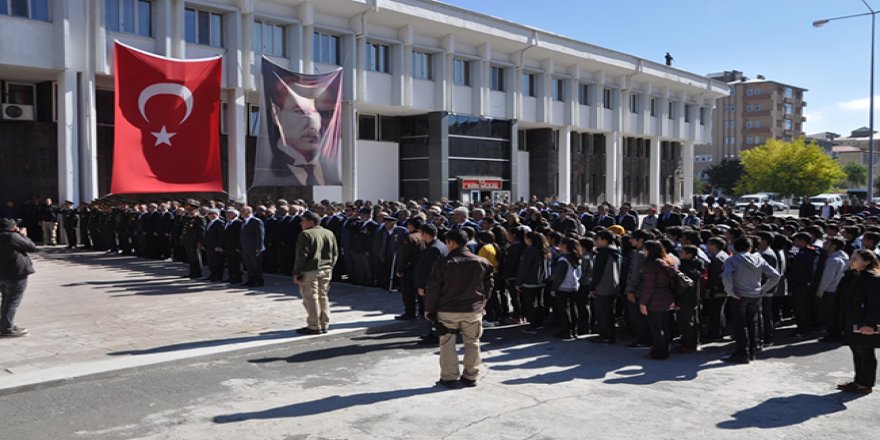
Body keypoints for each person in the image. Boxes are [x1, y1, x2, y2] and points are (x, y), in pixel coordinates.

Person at [425, 229, 494, 389]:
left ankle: (449, 377)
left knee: (447, 343)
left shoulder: (443, 263)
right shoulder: (481, 261)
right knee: (472, 343)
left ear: (452, 243)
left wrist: (429, 309)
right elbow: (489, 283)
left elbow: (433, 288)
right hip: (473, 309)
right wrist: (484, 301)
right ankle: (471, 376)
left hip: (448, 309)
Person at [721, 237, 781, 364]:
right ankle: (752, 351)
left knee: (740, 324)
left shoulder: (731, 260)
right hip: (755, 295)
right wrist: (763, 289)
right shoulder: (758, 258)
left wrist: (730, 291)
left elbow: (726, 277)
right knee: (753, 323)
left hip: (739, 295)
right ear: (750, 247)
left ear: (735, 247)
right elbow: (775, 275)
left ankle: (742, 352)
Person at [838, 249, 880, 394]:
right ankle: (858, 380)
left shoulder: (873, 278)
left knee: (865, 352)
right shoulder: (855, 276)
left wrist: (870, 324)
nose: (851, 261)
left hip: (865, 322)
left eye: (855, 259)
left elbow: (875, 304)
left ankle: (865, 384)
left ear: (867, 262)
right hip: (853, 320)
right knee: (856, 350)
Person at [292, 211, 339, 335]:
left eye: (304, 220)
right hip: (326, 269)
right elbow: (335, 253)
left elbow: (302, 256)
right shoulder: (329, 233)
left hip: (310, 270)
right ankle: (324, 324)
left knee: (310, 298)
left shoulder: (305, 234)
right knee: (323, 296)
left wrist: (297, 273)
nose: (301, 223)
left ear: (311, 222)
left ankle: (314, 325)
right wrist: (330, 266)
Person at [639, 240, 678, 360]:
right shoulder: (669, 261)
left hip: (654, 299)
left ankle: (658, 352)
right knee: (666, 326)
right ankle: (665, 349)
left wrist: (643, 303)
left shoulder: (650, 265)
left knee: (656, 328)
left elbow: (649, 287)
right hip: (668, 297)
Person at [0, 218, 37, 337]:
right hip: (15, 273)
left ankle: (5, 324)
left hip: (2, 273)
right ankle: (7, 328)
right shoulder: (11, 236)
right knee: (12, 301)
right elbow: (31, 247)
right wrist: (23, 236)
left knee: (6, 300)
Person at [415, 224, 448, 345]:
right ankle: (433, 333)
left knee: (430, 310)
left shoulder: (433, 249)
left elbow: (429, 270)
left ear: (425, 234)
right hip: (437, 285)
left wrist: (422, 286)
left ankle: (434, 334)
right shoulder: (441, 245)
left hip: (431, 286)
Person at [590, 230, 622, 344]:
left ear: (604, 240)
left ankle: (606, 336)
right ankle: (609, 334)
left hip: (602, 287)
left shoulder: (603, 253)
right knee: (609, 312)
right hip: (613, 285)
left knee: (603, 313)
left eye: (597, 239)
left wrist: (593, 287)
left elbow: (597, 272)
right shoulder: (616, 251)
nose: (596, 242)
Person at [815, 237, 849, 343]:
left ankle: (832, 335)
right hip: (839, 290)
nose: (824, 244)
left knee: (829, 314)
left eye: (827, 243)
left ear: (833, 246)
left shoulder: (832, 260)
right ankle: (837, 333)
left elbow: (827, 278)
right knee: (836, 314)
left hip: (830, 291)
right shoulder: (844, 256)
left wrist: (820, 291)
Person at [516, 231, 552, 331]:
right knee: (540, 302)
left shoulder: (530, 250)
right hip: (542, 280)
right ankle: (539, 321)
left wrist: (519, 282)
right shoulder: (545, 250)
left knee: (530, 303)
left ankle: (533, 324)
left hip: (530, 281)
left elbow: (524, 267)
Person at [551, 237, 582, 340]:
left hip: (563, 287)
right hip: (574, 286)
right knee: (573, 308)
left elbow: (559, 276)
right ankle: (574, 330)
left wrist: (554, 288)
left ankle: (566, 331)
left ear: (565, 246)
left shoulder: (563, 260)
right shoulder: (577, 258)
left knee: (564, 310)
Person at [395, 216, 425, 321]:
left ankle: (410, 313)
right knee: (420, 293)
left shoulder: (410, 237)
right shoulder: (425, 236)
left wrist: (399, 269)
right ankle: (422, 312)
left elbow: (404, 256)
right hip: (422, 269)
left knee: (408, 292)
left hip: (410, 269)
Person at [677, 245, 705, 353]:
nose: (680, 253)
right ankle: (692, 342)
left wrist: (678, 298)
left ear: (689, 254)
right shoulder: (697, 264)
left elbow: (685, 285)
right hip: (694, 297)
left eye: (682, 252)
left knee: (687, 322)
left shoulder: (687, 268)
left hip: (686, 298)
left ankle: (688, 345)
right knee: (692, 320)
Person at [240, 205, 266, 287]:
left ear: (248, 212)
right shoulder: (243, 221)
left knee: (256, 265)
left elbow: (260, 235)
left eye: (242, 211)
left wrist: (259, 247)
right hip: (246, 247)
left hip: (254, 247)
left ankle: (258, 280)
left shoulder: (256, 221)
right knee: (249, 265)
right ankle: (251, 280)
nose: (240, 213)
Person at [181, 202, 206, 279]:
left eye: (191, 211)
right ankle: (192, 272)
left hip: (195, 241)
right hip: (188, 241)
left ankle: (198, 273)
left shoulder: (199, 219)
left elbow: (202, 231)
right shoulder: (188, 218)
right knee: (191, 257)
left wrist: (200, 242)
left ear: (195, 210)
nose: (189, 212)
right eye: (188, 211)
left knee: (196, 257)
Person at [222, 209, 243, 284]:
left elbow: (239, 235)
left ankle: (237, 277)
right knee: (230, 262)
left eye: (229, 214)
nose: (226, 215)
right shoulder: (227, 223)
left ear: (234, 215)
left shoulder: (239, 223)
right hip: (228, 246)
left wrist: (238, 246)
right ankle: (231, 276)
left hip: (235, 246)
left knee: (236, 262)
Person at [204, 209, 226, 282]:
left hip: (215, 245)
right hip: (209, 245)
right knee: (211, 261)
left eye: (210, 214)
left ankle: (218, 276)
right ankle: (212, 274)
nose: (208, 215)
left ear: (215, 214)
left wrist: (219, 245)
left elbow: (220, 235)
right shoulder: (210, 222)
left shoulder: (219, 223)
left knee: (217, 261)